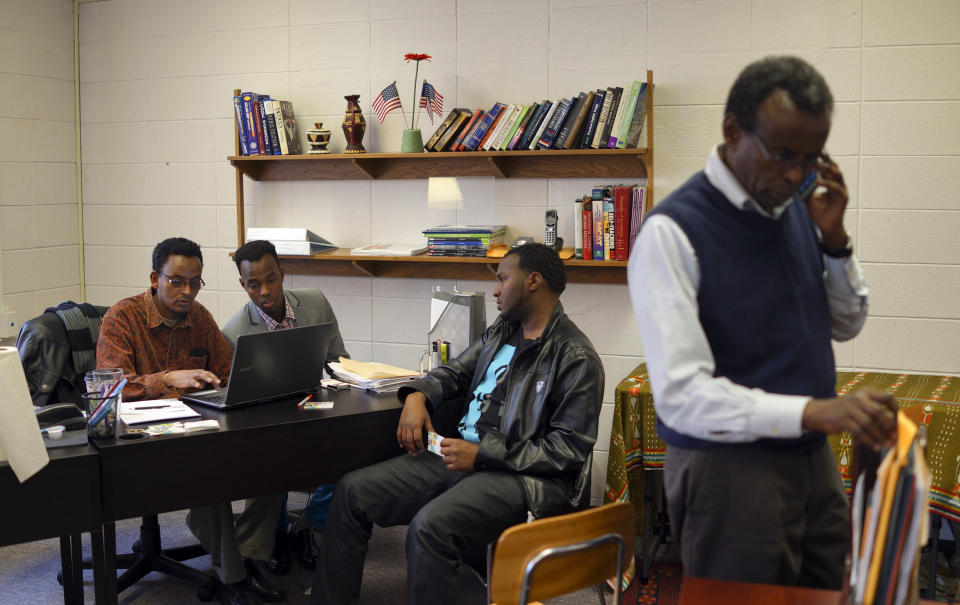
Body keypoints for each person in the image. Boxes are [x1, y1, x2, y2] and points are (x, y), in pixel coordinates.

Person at [628, 55, 898, 589]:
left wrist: (836, 242)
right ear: (733, 130)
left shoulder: (797, 207)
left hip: (809, 459)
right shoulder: (672, 232)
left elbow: (845, 325)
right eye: (782, 156)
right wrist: (816, 412)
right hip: (728, 471)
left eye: (810, 158)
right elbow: (682, 395)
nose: (797, 175)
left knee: (825, 593)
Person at [310, 243, 604, 604]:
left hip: (521, 480)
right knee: (353, 491)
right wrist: (417, 395)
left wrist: (482, 454)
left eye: (502, 279)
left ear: (534, 281)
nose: (495, 290)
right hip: (458, 456)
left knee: (431, 527)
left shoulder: (575, 356)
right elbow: (454, 372)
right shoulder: (503, 332)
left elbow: (567, 452)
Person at [97, 237, 287, 605]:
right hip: (138, 441)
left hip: (195, 428)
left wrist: (249, 381)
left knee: (273, 458)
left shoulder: (200, 318)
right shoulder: (122, 318)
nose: (187, 291)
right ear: (155, 278)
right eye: (177, 282)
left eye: (195, 282)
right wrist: (167, 378)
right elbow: (113, 387)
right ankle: (233, 579)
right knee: (207, 476)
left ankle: (246, 554)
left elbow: (228, 372)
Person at [222, 239, 350, 573]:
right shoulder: (234, 333)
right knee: (270, 454)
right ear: (243, 285)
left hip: (315, 406)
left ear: (283, 273)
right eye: (253, 284)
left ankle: (312, 524)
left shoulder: (315, 303)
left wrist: (357, 386)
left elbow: (338, 363)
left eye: (271, 280)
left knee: (355, 445)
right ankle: (275, 534)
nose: (264, 291)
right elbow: (238, 398)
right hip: (265, 421)